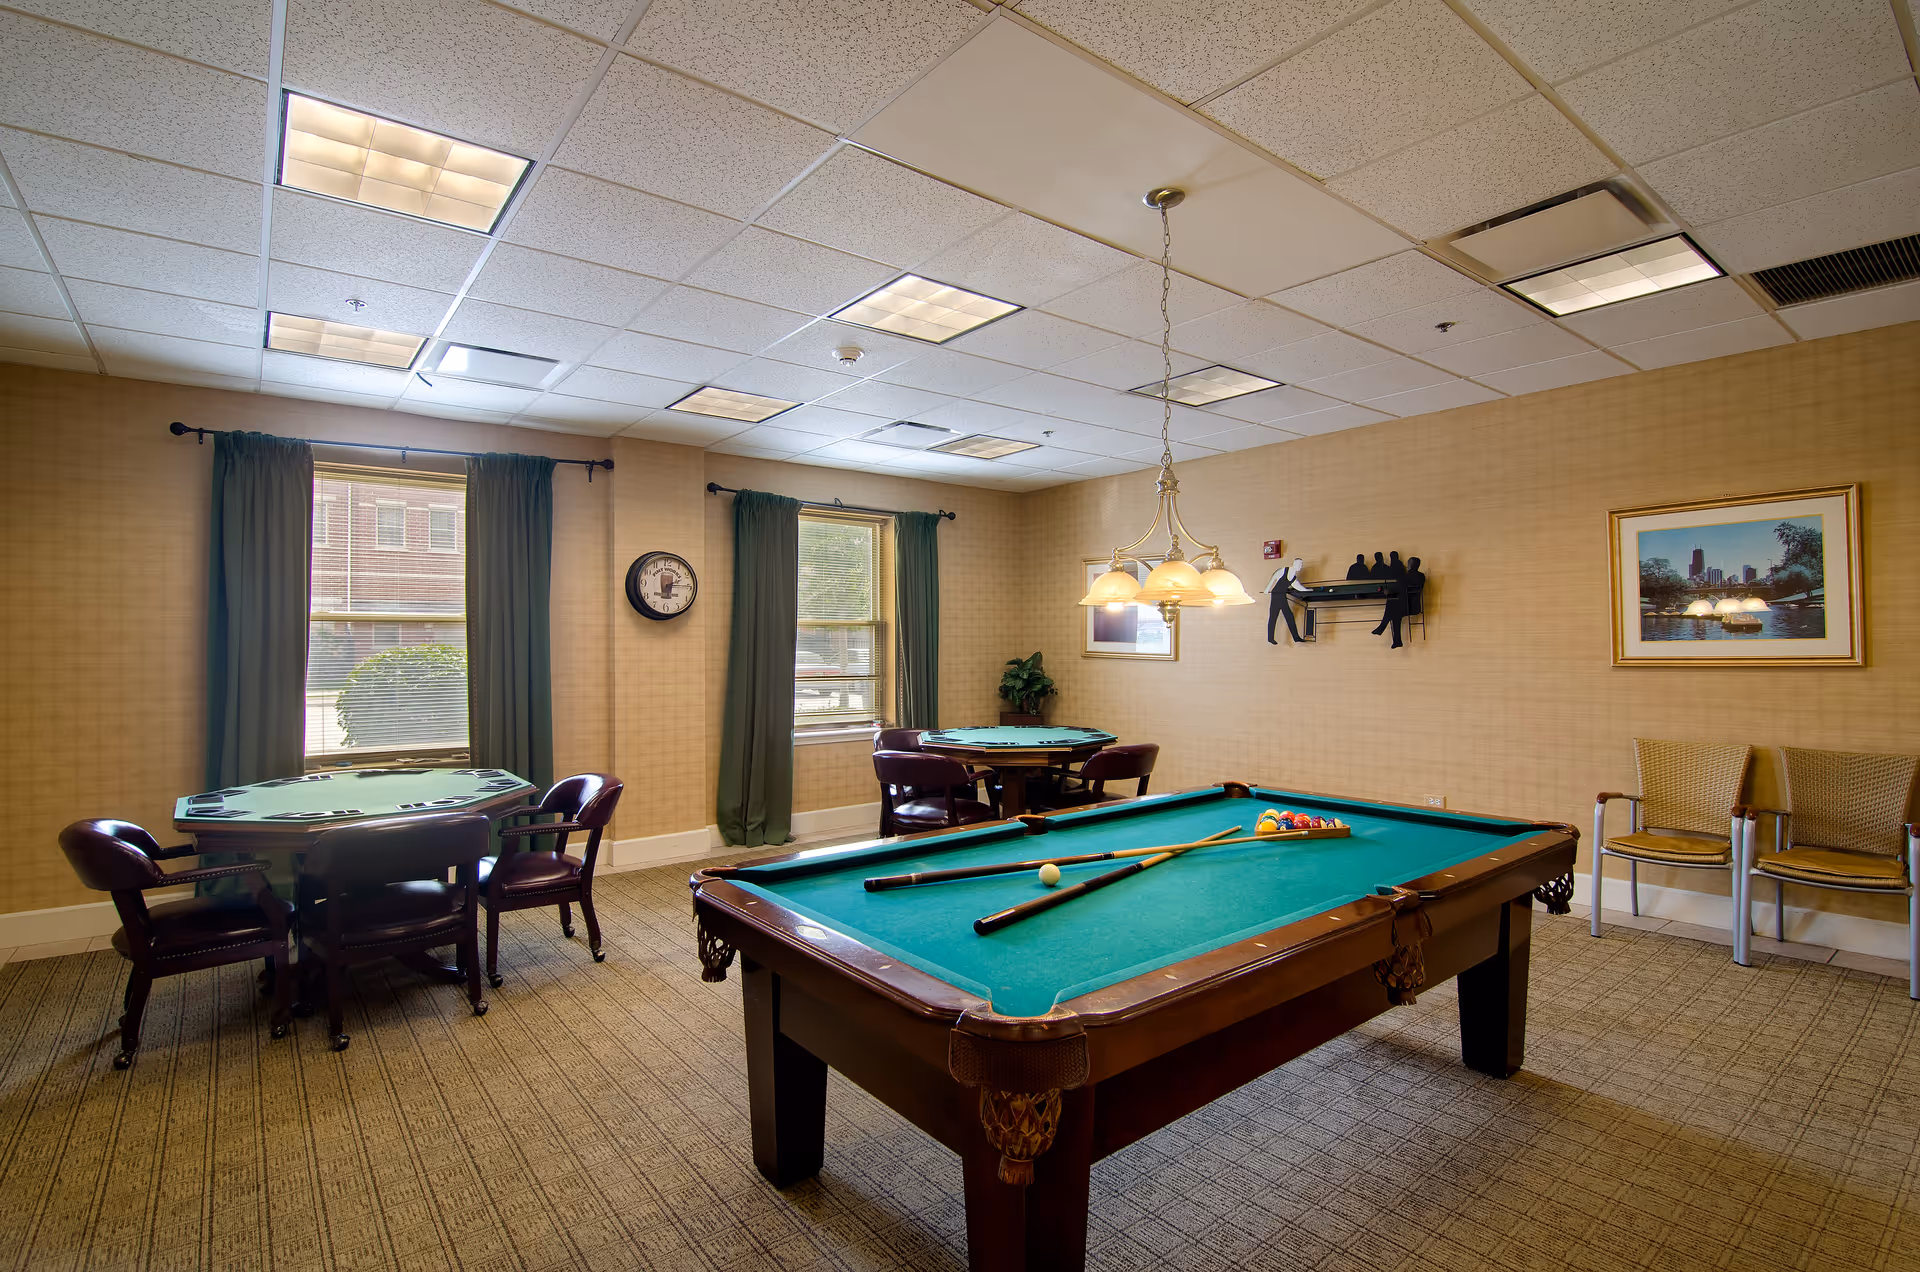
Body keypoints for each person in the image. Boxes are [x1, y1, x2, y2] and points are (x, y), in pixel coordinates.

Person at [1264, 558, 1311, 644]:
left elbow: (1298, 587)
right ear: (1295, 564)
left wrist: (1308, 590)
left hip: (1281, 595)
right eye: (1299, 564)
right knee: (1274, 616)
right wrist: (1267, 589)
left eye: (1301, 565)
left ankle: (1295, 638)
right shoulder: (1284, 570)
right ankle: (1271, 638)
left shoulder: (1293, 577)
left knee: (1288, 616)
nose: (1300, 567)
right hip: (1276, 595)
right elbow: (1274, 577)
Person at [1373, 552, 1410, 647]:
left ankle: (1382, 627)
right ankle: (1396, 641)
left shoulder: (1396, 567)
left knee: (1391, 605)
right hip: (1401, 601)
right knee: (1394, 615)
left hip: (1405, 603)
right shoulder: (1398, 567)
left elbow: (1398, 583)